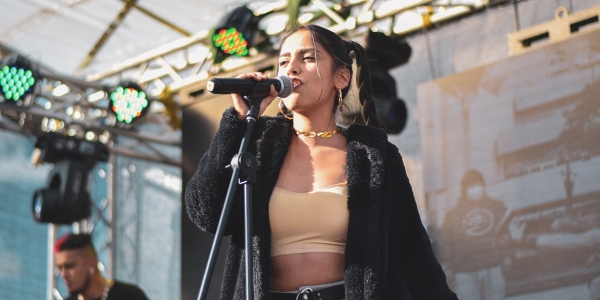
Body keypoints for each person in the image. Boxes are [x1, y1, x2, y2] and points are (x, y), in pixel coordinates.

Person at [185, 24, 456, 300]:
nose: (291, 68)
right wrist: (238, 121)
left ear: (341, 77)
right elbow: (205, 212)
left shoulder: (372, 156)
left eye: (308, 58)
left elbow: (413, 254)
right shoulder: (257, 148)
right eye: (283, 61)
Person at [440, 169, 507, 300]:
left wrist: (506, 256)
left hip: (493, 266)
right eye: (471, 186)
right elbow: (446, 243)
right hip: (464, 272)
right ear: (464, 189)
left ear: (483, 185)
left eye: (478, 184)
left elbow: (505, 234)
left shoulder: (497, 207)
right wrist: (450, 266)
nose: (475, 188)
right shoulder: (453, 215)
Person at [54, 233, 149, 300]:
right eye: (60, 268)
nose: (63, 274)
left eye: (69, 266)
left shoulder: (130, 295)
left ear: (92, 265)